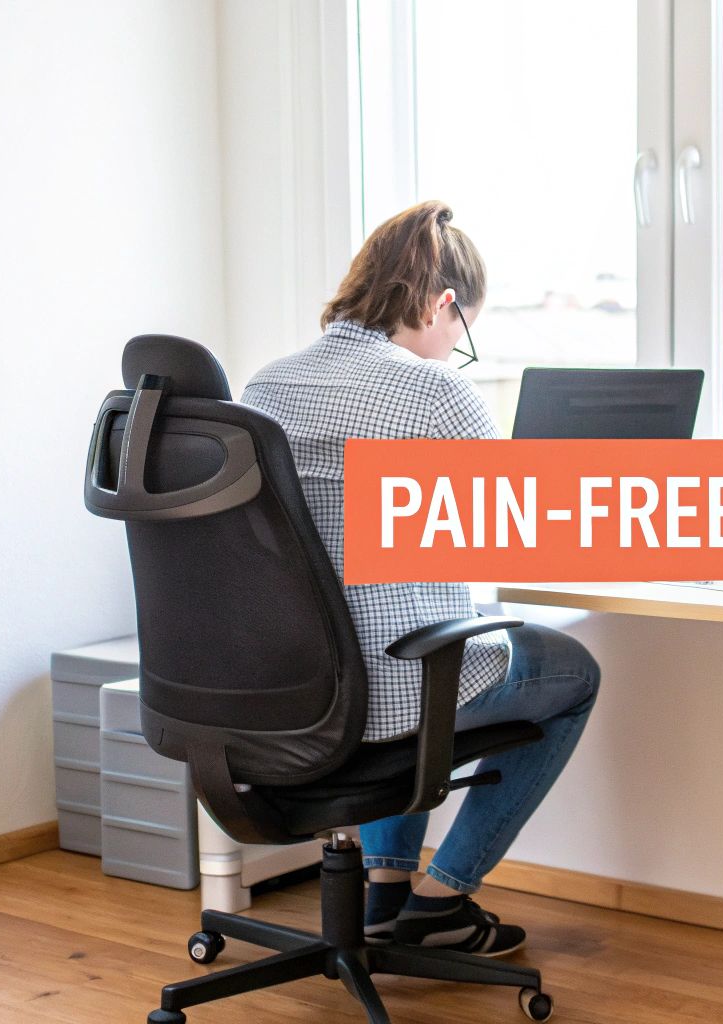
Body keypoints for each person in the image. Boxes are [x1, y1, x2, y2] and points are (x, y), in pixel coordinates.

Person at [240, 200, 600, 958]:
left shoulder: (263, 389)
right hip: (392, 686)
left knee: (406, 647)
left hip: (293, 687)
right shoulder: (434, 395)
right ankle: (444, 897)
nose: (453, 349)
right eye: (462, 330)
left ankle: (388, 893)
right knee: (570, 668)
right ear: (443, 305)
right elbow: (518, 533)